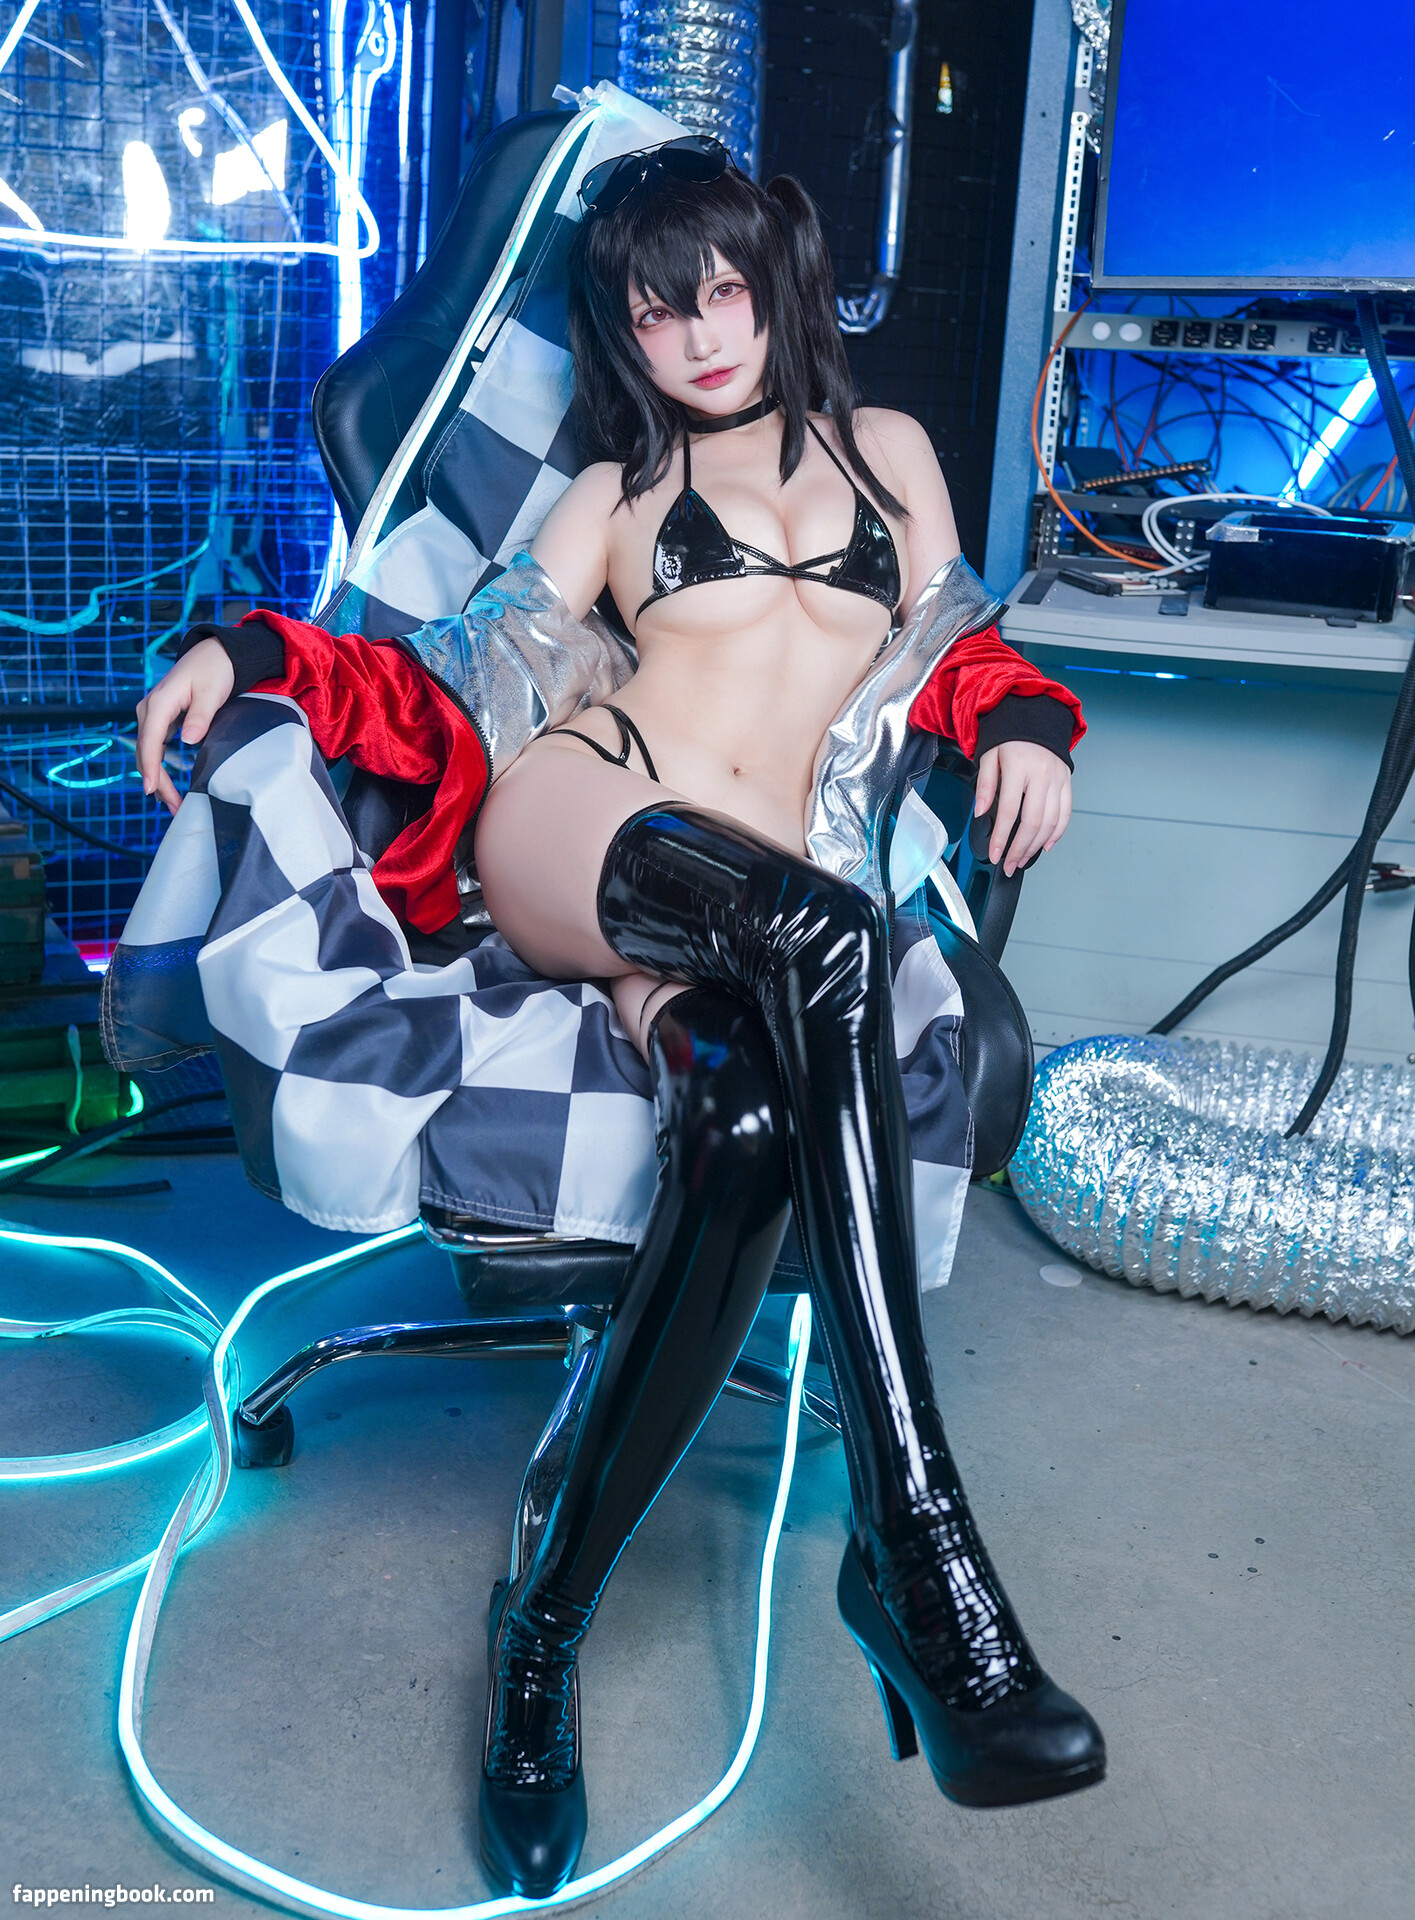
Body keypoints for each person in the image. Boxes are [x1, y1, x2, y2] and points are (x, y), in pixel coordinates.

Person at [134, 138, 1101, 1898]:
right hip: (587, 831)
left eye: (724, 291)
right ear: (623, 332)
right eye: (659, 311)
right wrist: (256, 653)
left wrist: (1027, 716)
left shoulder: (889, 453)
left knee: (745, 1128)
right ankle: (919, 1547)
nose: (701, 335)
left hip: (749, 921)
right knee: (828, 939)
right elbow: (449, 670)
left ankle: (541, 1631)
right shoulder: (613, 488)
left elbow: (950, 645)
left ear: (776, 283)